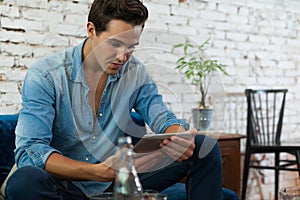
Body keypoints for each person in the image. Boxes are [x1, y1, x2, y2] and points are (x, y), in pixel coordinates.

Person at [4, 0, 223, 199]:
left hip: (116, 183)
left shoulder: (135, 72)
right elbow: (30, 151)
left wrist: (177, 137)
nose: (122, 56)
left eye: (131, 47)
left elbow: (162, 116)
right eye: (115, 44)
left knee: (204, 147)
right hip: (64, 187)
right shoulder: (46, 75)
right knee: (24, 182)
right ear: (91, 30)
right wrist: (99, 172)